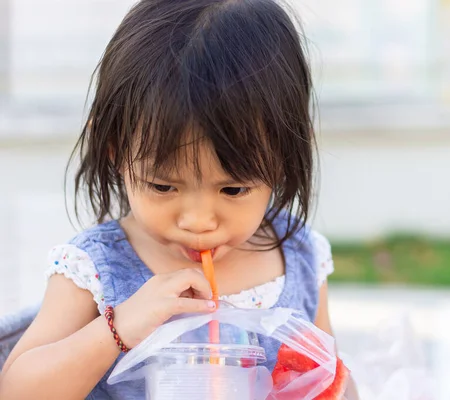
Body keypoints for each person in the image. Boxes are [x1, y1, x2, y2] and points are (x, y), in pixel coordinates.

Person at [0, 0, 358, 398]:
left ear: (285, 156)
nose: (198, 220)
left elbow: (331, 376)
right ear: (116, 151)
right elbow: (17, 390)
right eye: (163, 186)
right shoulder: (96, 271)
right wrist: (116, 330)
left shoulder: (299, 256)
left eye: (233, 189)